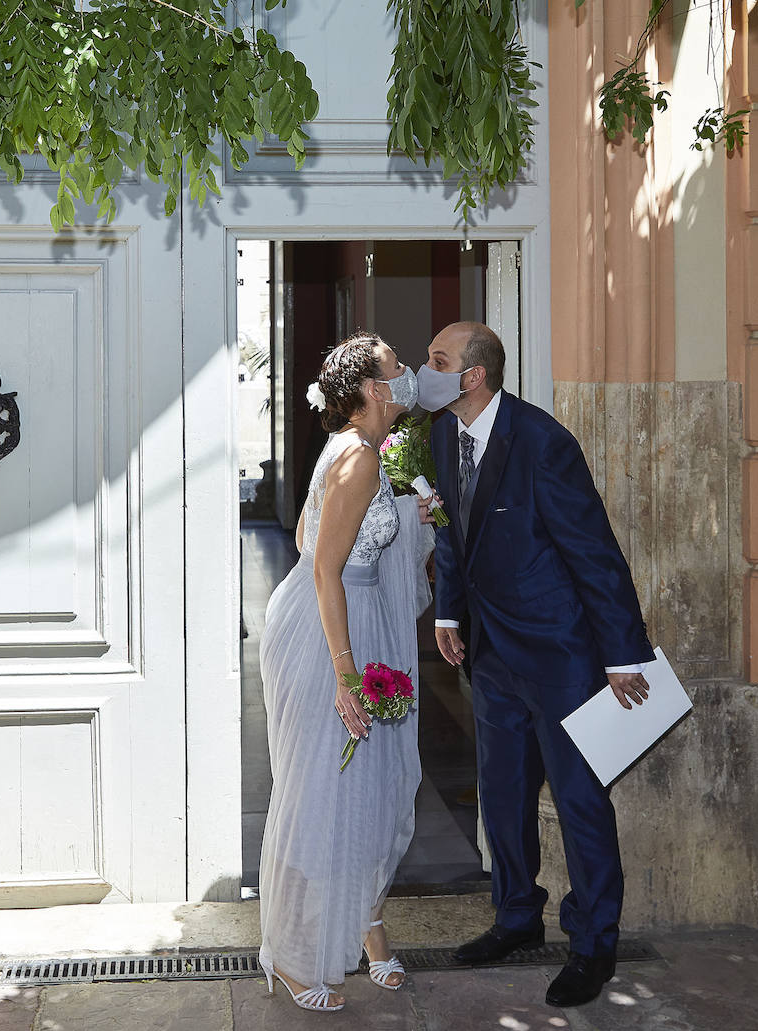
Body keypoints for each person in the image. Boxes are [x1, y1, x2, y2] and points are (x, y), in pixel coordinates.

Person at [418, 321, 653, 1009]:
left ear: (473, 376)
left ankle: (594, 942)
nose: (424, 369)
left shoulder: (543, 442)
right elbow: (455, 534)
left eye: (438, 360)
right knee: (504, 793)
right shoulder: (441, 435)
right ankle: (516, 915)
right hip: (490, 655)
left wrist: (621, 654)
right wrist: (449, 613)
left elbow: (594, 553)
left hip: (561, 655)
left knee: (579, 800)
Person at [257, 332, 435, 1013]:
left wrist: (406, 522)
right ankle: (297, 957)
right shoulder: (358, 458)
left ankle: (366, 931)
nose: (407, 372)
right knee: (321, 798)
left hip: (339, 618)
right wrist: (345, 672)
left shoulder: (361, 451)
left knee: (364, 789)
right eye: (396, 367)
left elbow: (308, 538)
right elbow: (325, 564)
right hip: (330, 635)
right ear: (371, 389)